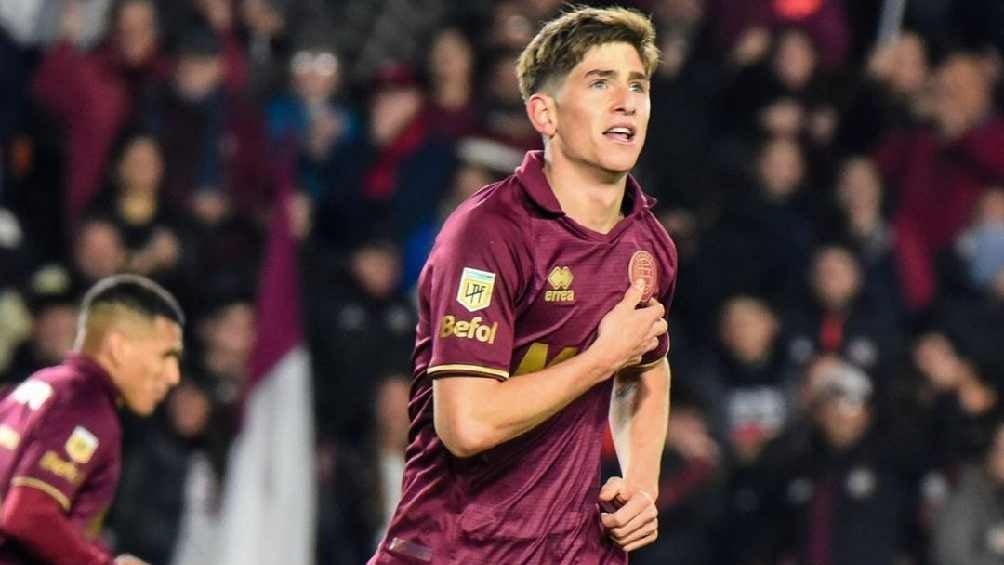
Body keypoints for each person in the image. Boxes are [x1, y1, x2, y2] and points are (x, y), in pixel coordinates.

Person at [371, 6, 675, 563]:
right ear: (544, 113)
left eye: (638, 84)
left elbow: (646, 369)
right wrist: (600, 359)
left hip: (577, 550)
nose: (626, 101)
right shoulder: (488, 233)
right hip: (458, 550)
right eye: (600, 82)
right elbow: (467, 423)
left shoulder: (648, 243)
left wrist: (641, 485)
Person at [0, 274, 184, 565]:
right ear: (119, 347)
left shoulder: (44, 383)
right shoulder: (86, 406)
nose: (173, 376)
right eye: (164, 356)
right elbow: (27, 514)